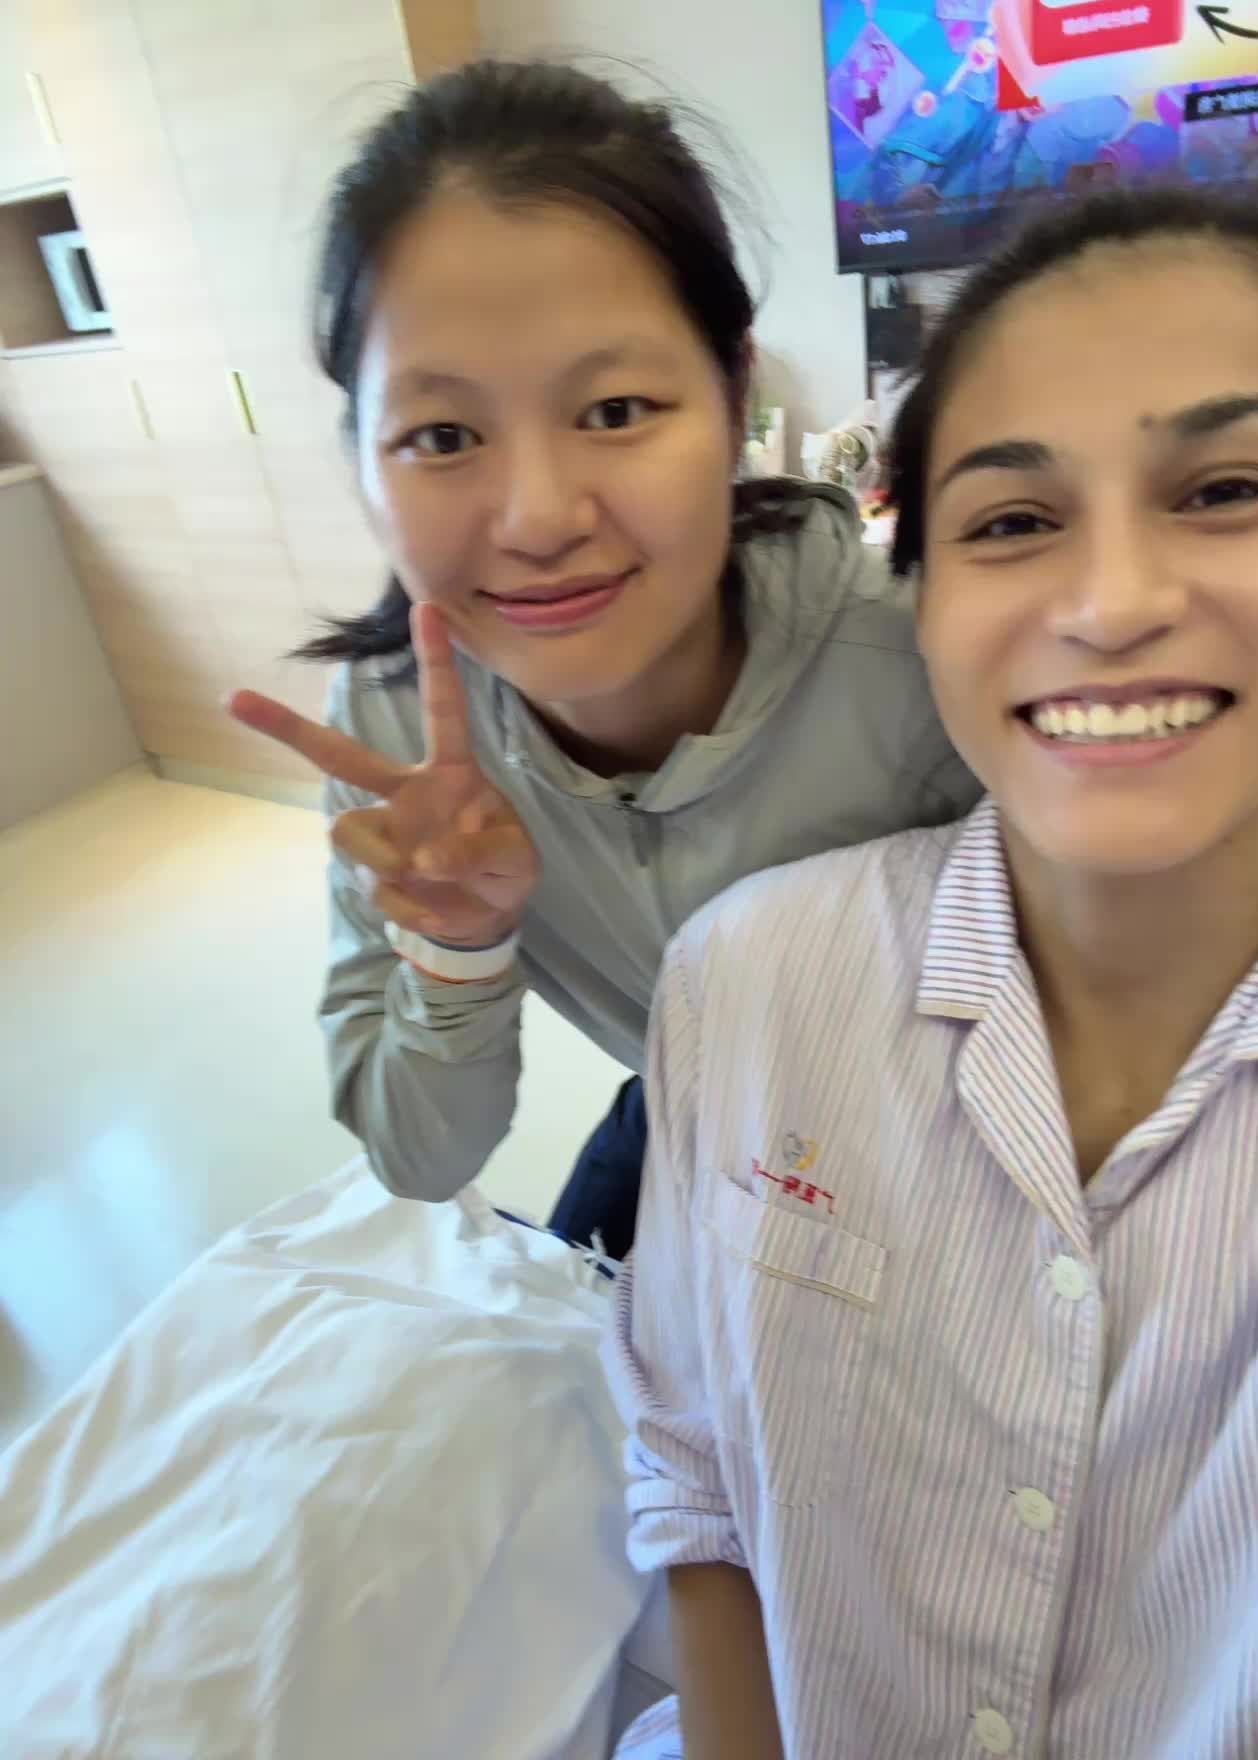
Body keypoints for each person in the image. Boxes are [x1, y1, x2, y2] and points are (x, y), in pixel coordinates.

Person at [607, 186, 1258, 1759]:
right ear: (920, 601)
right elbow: (697, 1469)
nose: (1114, 604)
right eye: (1010, 522)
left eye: (1228, 490)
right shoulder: (748, 979)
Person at [228, 60, 978, 1254]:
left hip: (965, 1143)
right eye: (442, 433)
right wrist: (457, 949)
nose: (537, 520)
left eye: (615, 410)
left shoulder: (933, 658)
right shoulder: (397, 730)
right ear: (359, 458)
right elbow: (422, 1160)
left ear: (732, 396)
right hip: (695, 1104)